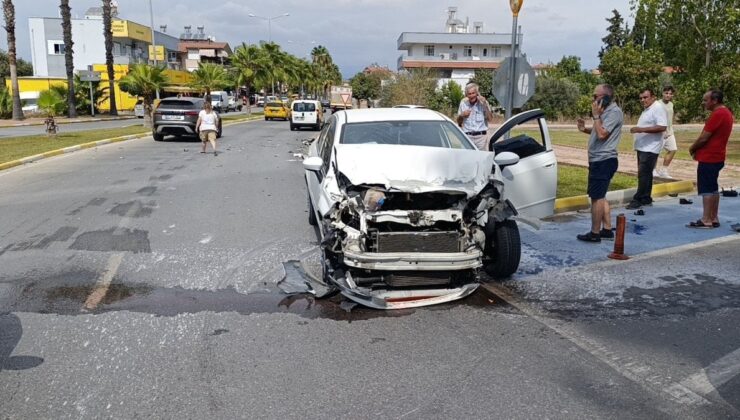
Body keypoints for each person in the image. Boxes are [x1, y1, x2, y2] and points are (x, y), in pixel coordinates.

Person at [575, 84, 624, 243]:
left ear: (606, 96)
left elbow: (602, 134)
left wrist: (596, 116)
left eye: (596, 96)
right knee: (600, 196)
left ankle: (595, 233)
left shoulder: (614, 112)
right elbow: (599, 130)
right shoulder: (606, 111)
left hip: (603, 160)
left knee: (596, 197)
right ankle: (607, 229)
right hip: (598, 159)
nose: (593, 100)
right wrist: (584, 129)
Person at [687, 89, 734, 228]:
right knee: (713, 188)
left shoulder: (718, 114)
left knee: (706, 188)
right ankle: (714, 217)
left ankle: (706, 219)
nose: (704, 103)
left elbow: (704, 137)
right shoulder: (727, 113)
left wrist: (693, 148)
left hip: (709, 156)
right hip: (717, 156)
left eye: (706, 100)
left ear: (715, 101)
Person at [626, 88, 667, 210]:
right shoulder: (648, 109)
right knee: (646, 174)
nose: (643, 100)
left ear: (653, 97)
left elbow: (662, 126)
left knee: (643, 174)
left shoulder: (657, 108)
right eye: (641, 98)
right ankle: (646, 198)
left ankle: (638, 199)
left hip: (650, 148)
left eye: (645, 97)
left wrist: (640, 129)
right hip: (643, 147)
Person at [457, 83, 494, 151]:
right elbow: (459, 122)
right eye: (469, 94)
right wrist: (462, 115)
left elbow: (490, 119)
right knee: (466, 158)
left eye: (473, 93)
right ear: (466, 95)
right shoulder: (463, 103)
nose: (471, 96)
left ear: (477, 93)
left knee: (481, 159)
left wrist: (485, 105)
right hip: (467, 137)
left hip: (481, 138)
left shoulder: (483, 102)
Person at [654, 85, 677, 178]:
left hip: (670, 132)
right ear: (663, 93)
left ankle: (663, 170)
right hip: (660, 132)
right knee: (655, 152)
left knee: (673, 149)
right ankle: (653, 170)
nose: (668, 95)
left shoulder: (671, 104)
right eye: (666, 93)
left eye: (670, 94)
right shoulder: (657, 104)